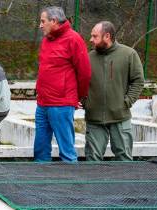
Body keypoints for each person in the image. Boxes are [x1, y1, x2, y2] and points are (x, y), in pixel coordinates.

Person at [34, 6, 91, 162]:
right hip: (42, 102)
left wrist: (77, 96)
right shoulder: (46, 40)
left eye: (42, 21)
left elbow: (84, 72)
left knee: (66, 151)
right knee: (40, 150)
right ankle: (39, 182)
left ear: (54, 21)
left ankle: (72, 184)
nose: (40, 25)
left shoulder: (74, 39)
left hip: (61, 104)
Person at [84, 21, 144, 161]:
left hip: (120, 117)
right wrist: (85, 101)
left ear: (107, 36)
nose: (91, 39)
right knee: (92, 160)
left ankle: (124, 184)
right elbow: (79, 82)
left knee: (124, 160)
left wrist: (127, 102)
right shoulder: (87, 58)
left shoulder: (129, 54)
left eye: (95, 36)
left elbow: (138, 80)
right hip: (94, 118)